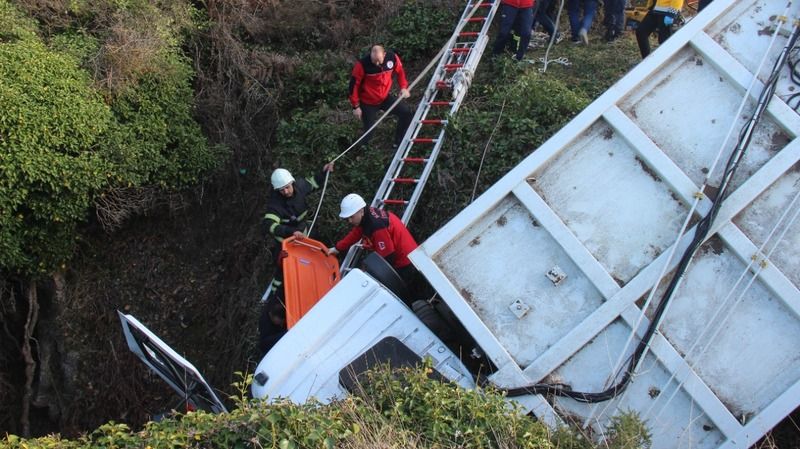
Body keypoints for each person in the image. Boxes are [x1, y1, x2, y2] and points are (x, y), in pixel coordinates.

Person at [258, 163, 333, 355]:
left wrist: (324, 171)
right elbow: (269, 225)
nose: (285, 191)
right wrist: (291, 232)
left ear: (292, 182)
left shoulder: (299, 186)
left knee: (312, 258)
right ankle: (275, 297)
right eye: (281, 189)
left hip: (305, 233)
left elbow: (314, 183)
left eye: (287, 187)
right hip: (287, 241)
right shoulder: (275, 205)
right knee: (282, 268)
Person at [328, 193, 425, 306]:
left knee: (404, 299)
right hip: (407, 256)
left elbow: (387, 257)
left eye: (351, 217)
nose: (349, 221)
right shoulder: (367, 216)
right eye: (348, 218)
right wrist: (338, 248)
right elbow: (356, 233)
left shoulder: (376, 226)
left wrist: (370, 276)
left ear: (361, 211)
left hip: (406, 263)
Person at [349, 44, 412, 150]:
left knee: (406, 113)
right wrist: (356, 106)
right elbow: (353, 86)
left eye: (379, 61)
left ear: (384, 54)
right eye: (374, 61)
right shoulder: (362, 65)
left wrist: (403, 87)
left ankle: (398, 142)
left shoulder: (392, 58)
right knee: (369, 133)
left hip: (384, 98)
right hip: (368, 102)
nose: (377, 64)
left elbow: (400, 72)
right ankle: (357, 152)